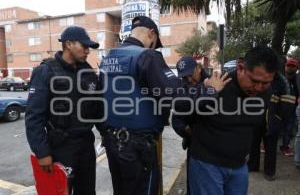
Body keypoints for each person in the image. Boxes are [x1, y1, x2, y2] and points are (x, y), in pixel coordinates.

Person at [98, 16, 230, 195]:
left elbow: (99, 100)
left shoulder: (109, 57)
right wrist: (210, 91)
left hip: (113, 142)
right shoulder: (147, 56)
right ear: (151, 34)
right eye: (155, 42)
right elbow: (174, 96)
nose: (153, 46)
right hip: (138, 146)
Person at [181, 46, 280, 195]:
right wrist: (204, 93)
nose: (259, 88)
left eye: (266, 83)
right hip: (207, 166)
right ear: (240, 68)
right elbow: (181, 112)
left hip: (239, 167)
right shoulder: (216, 86)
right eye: (254, 81)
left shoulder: (266, 92)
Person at [25, 26, 102, 195]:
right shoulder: (46, 71)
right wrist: (42, 152)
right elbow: (34, 117)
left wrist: (106, 135)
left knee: (87, 191)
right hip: (61, 146)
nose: (88, 51)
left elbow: (96, 108)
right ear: (68, 44)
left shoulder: (88, 72)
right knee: (58, 192)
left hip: (86, 145)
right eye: (84, 46)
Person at [171, 56, 209, 195]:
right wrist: (185, 129)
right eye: (184, 77)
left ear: (198, 68)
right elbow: (176, 118)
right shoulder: (182, 88)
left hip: (213, 146)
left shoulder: (212, 83)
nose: (188, 80)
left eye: (190, 75)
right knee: (193, 186)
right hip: (194, 145)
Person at [281, 59, 299, 156]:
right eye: (289, 66)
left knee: (290, 129)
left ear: (297, 68)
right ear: (285, 67)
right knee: (273, 128)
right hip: (279, 107)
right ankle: (266, 146)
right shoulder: (280, 79)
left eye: (293, 66)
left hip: (293, 109)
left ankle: (285, 147)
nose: (290, 68)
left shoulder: (298, 79)